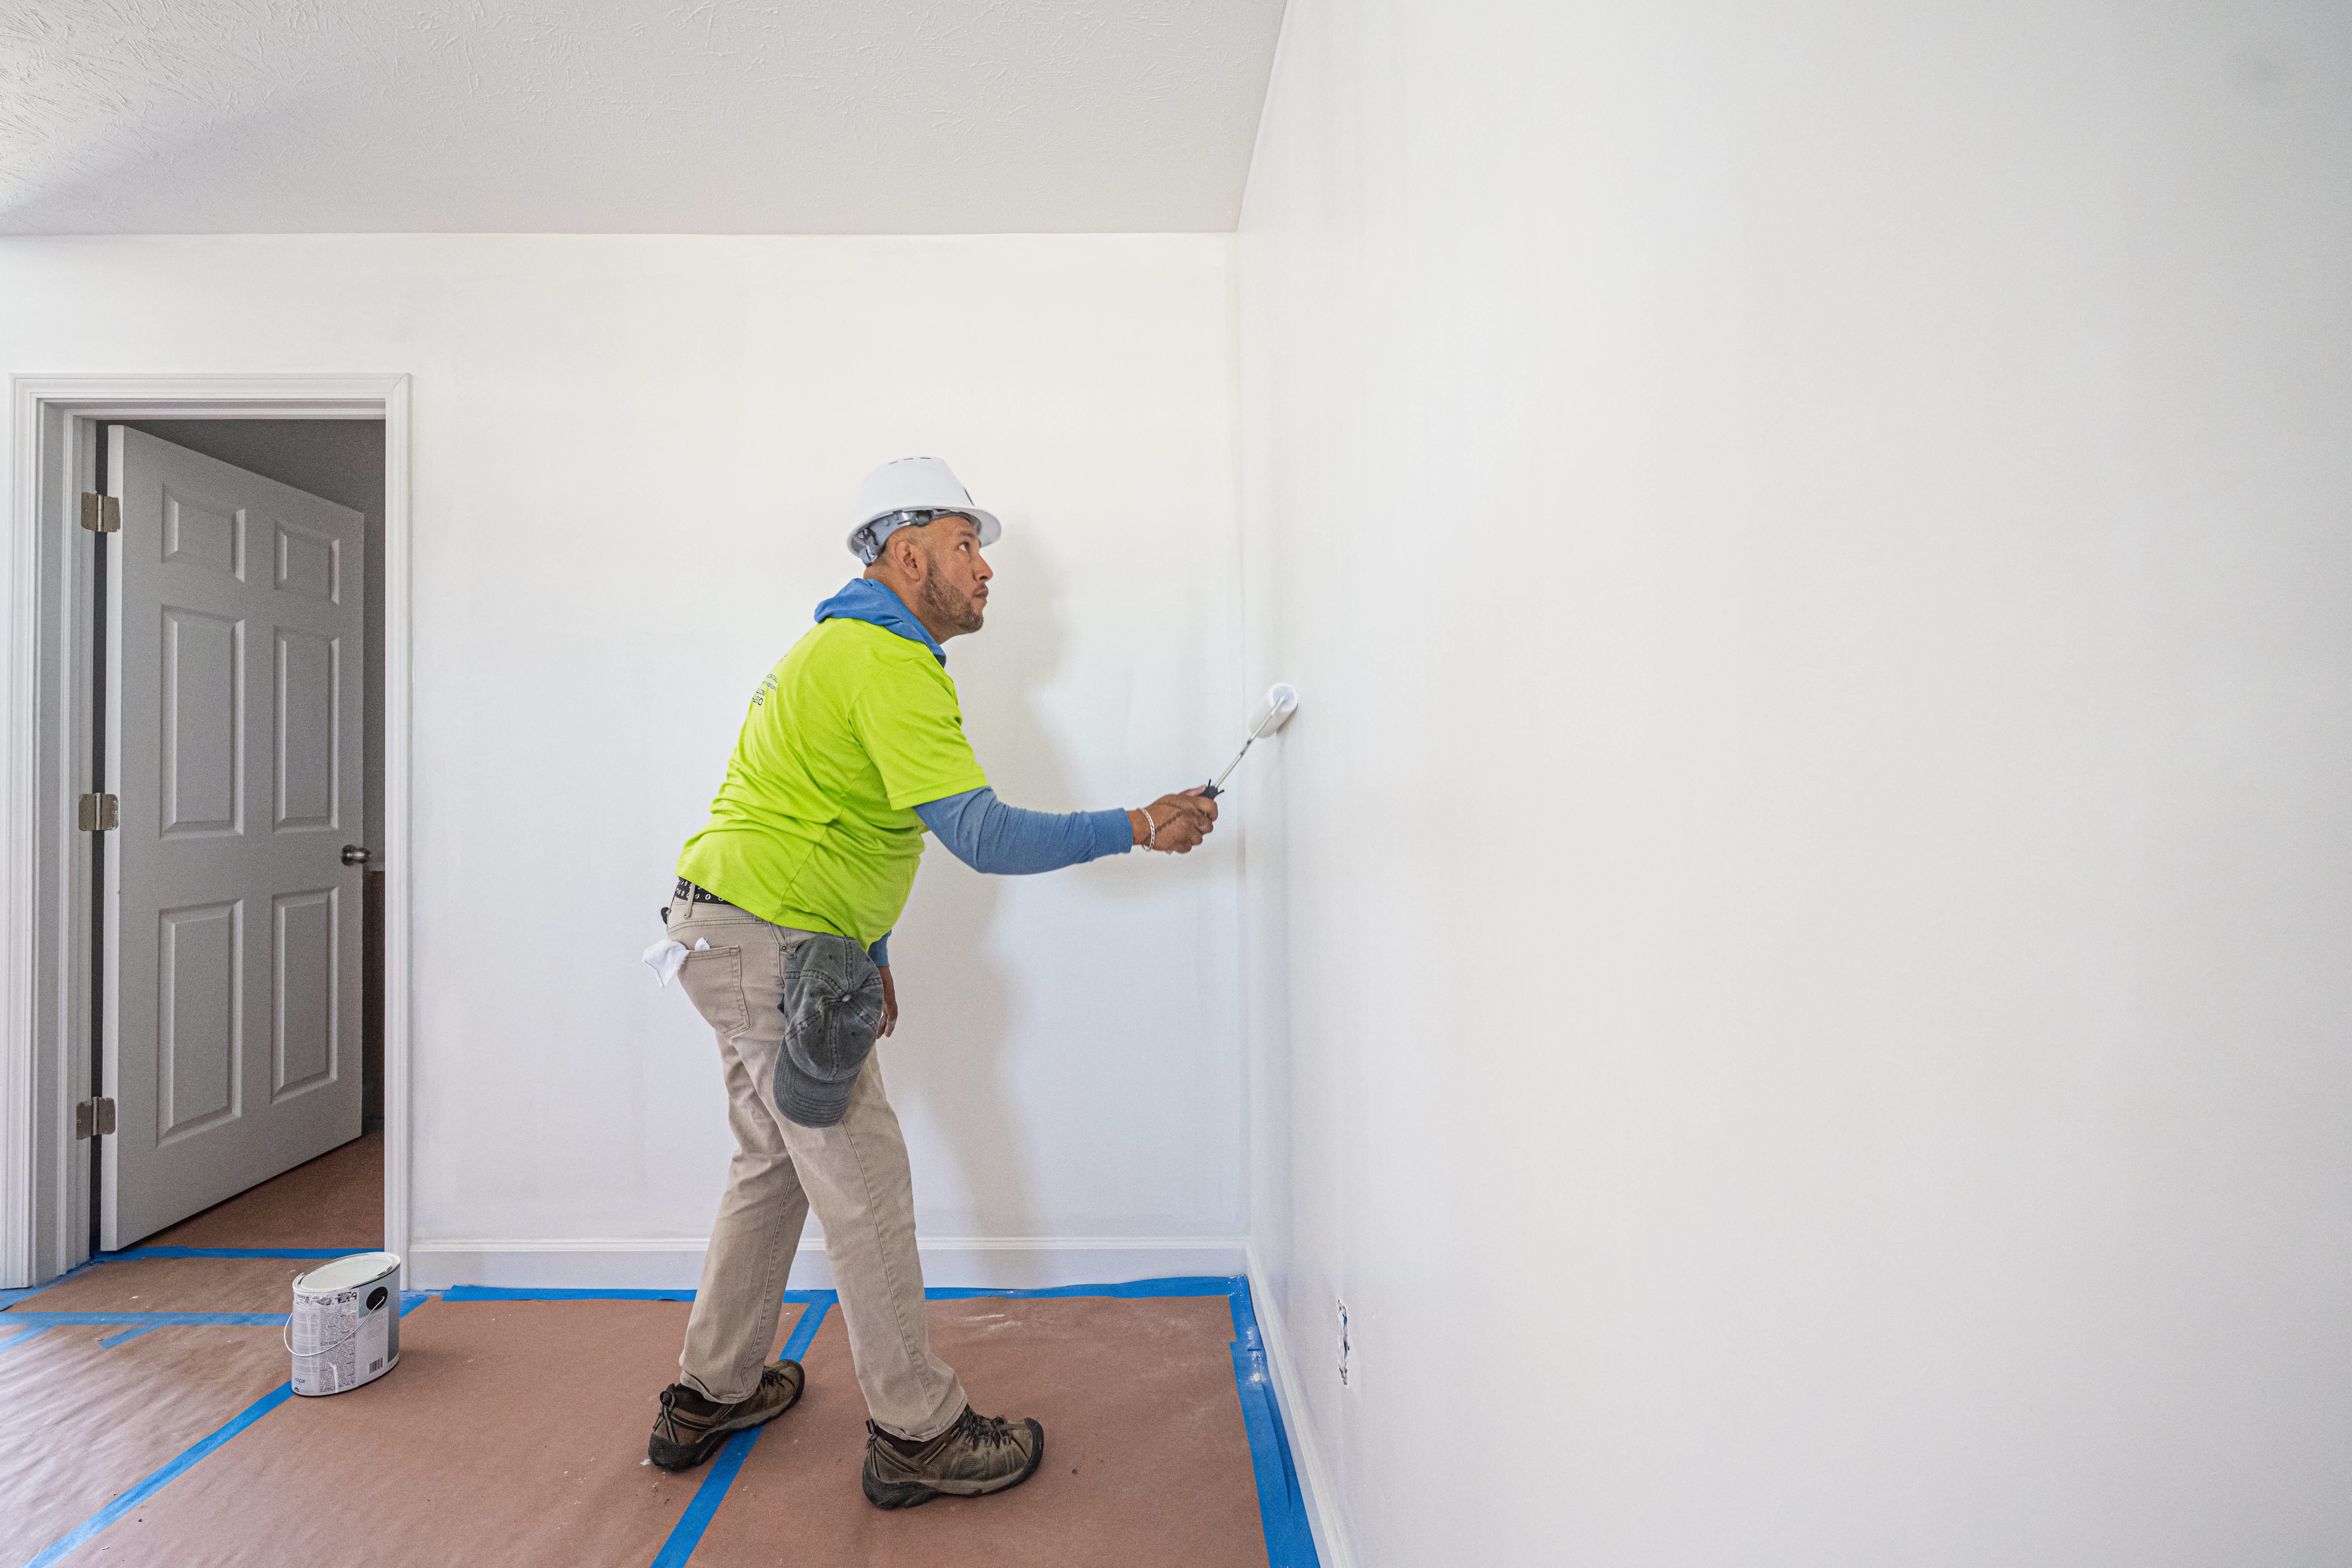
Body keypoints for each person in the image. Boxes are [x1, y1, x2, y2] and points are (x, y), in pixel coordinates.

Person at [643, 456, 1218, 1510]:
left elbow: (820, 809)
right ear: (907, 556)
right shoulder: (886, 659)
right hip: (774, 948)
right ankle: (919, 1432)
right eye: (967, 545)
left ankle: (711, 1391)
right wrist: (1139, 823)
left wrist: (868, 948)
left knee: (771, 1163)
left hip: (725, 933)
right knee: (862, 1182)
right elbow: (982, 835)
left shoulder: (826, 649)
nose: (986, 567)